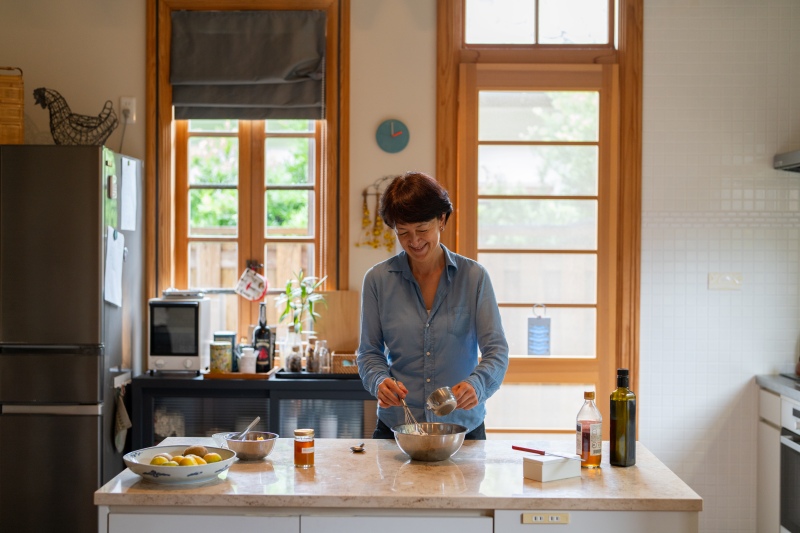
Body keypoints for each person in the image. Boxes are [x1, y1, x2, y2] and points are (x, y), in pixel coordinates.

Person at [356, 171, 509, 440]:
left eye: (422, 230)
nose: (414, 241)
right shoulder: (377, 281)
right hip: (398, 429)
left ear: (442, 220)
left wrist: (478, 385)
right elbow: (369, 352)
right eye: (403, 232)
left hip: (462, 429)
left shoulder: (473, 278)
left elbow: (496, 350)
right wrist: (379, 381)